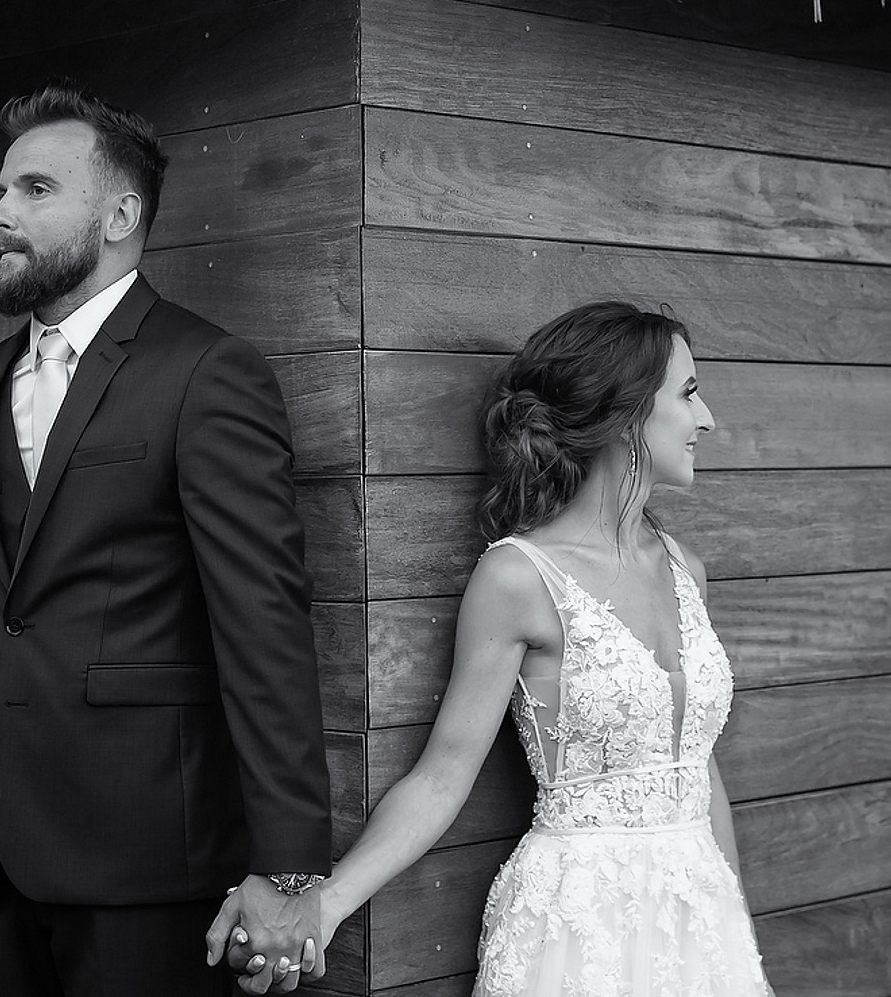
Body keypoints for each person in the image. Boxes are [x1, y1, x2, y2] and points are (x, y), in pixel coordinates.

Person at [216, 301, 775, 994]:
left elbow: (699, 770)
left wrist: (736, 933)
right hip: (580, 925)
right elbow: (442, 775)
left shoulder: (685, 567)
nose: (707, 419)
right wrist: (325, 907)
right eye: (689, 394)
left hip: (699, 926)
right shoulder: (518, 577)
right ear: (626, 413)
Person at [0, 78, 331, 997]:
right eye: (1, 191)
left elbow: (263, 626)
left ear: (119, 215)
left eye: (34, 190)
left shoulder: (206, 373)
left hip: (148, 866)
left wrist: (290, 869)